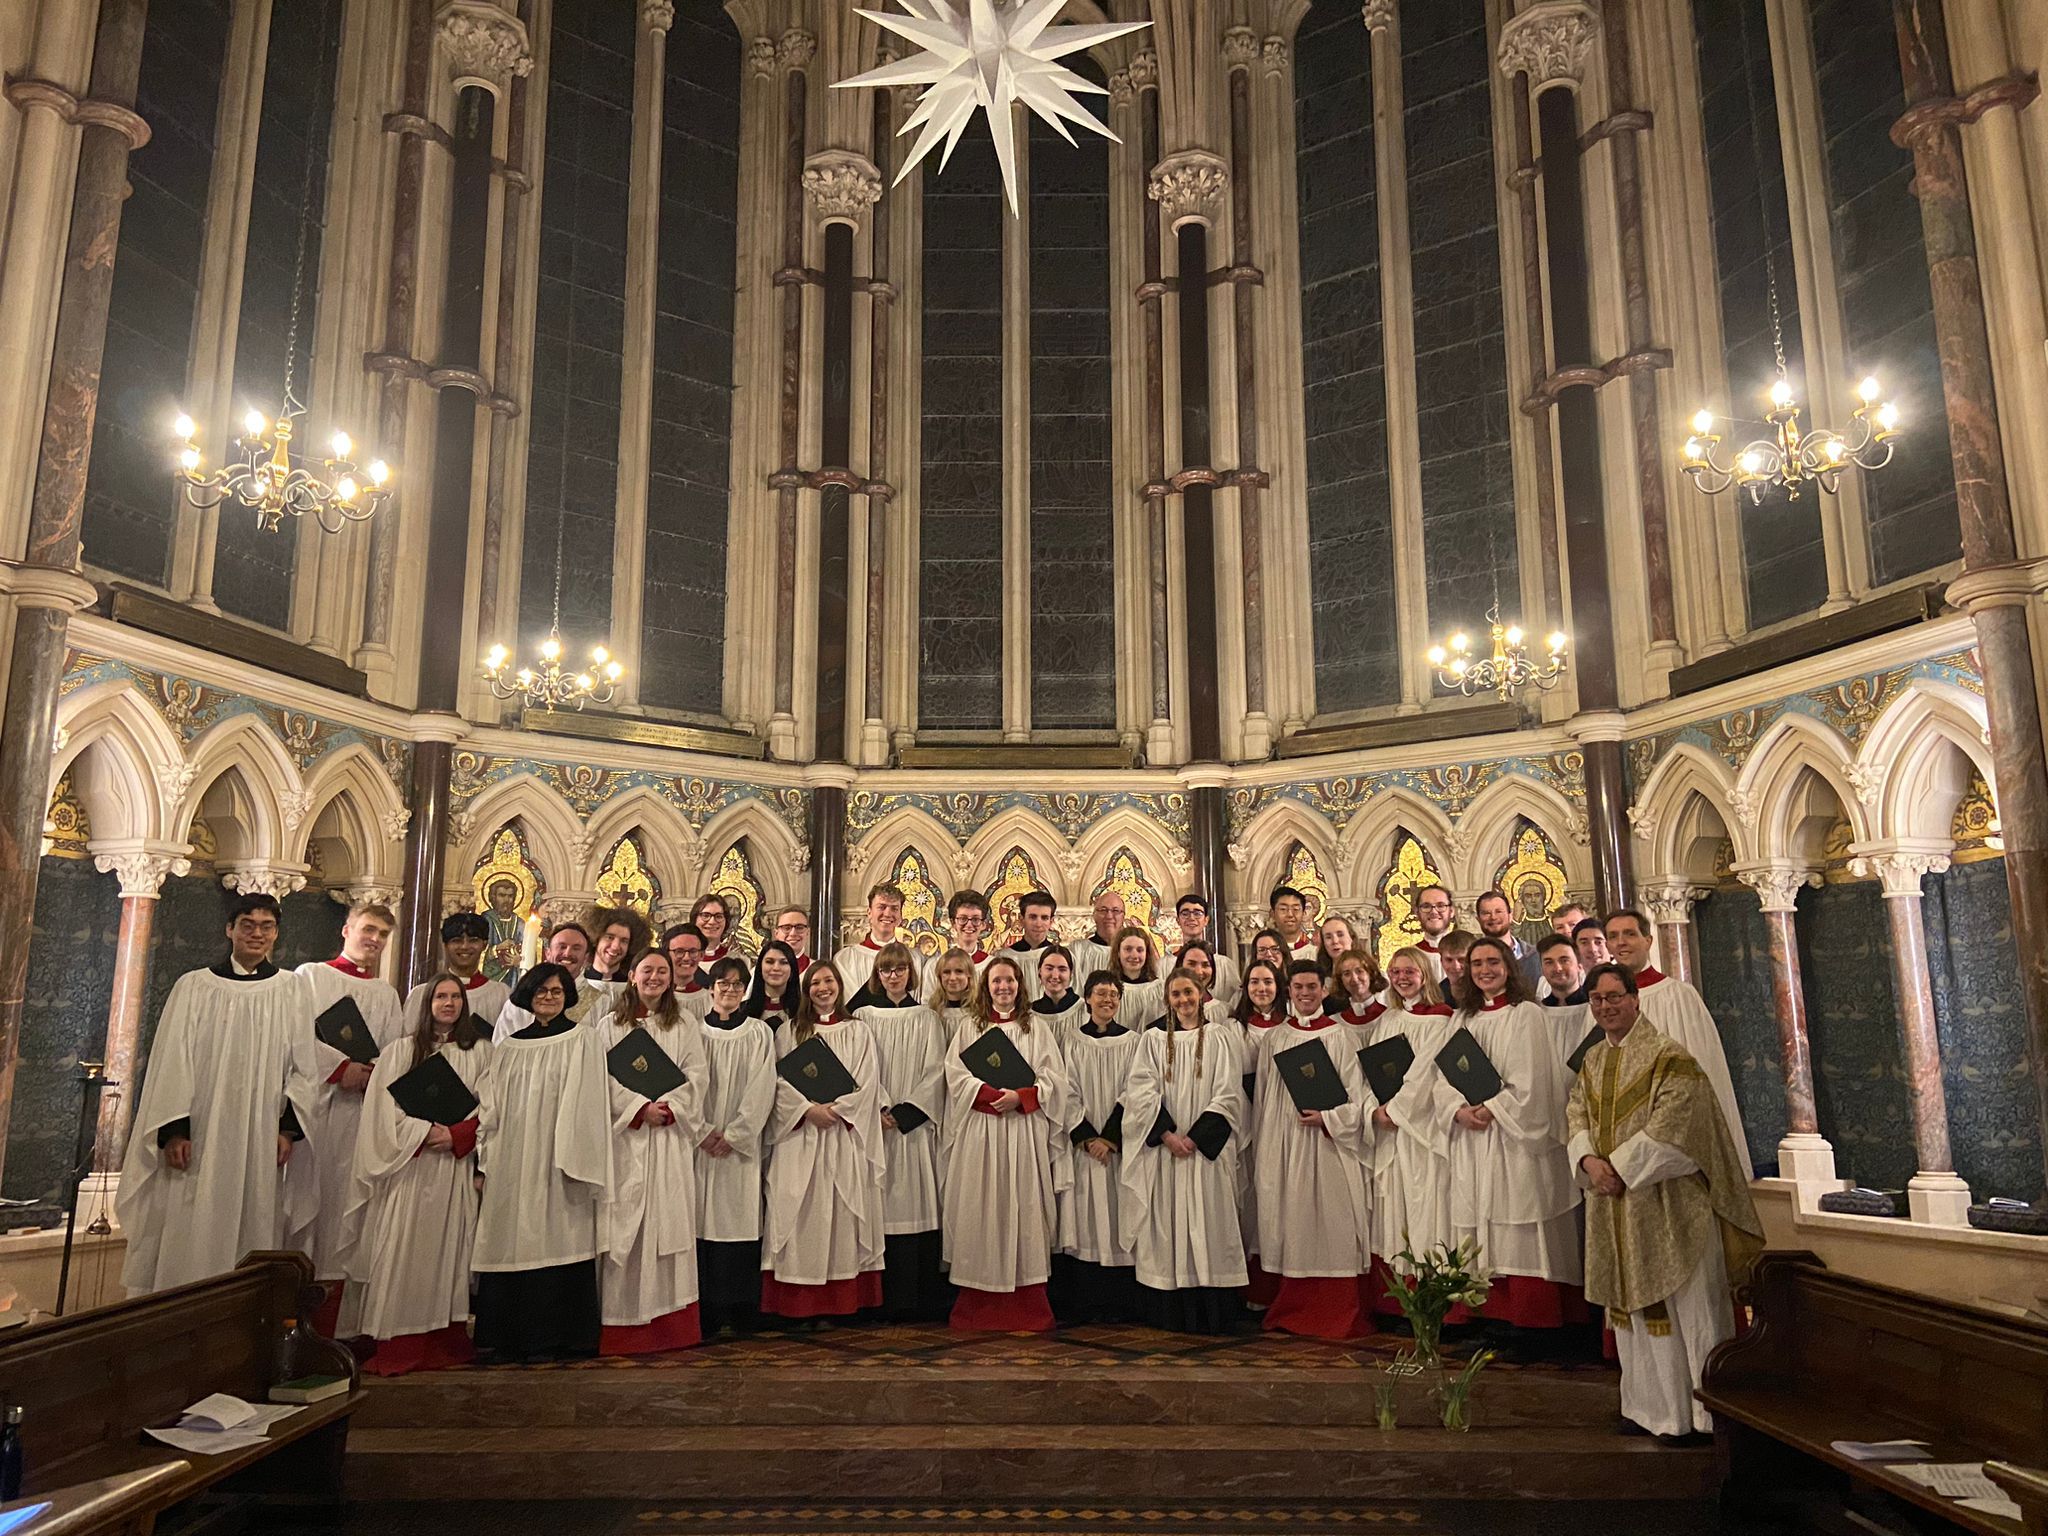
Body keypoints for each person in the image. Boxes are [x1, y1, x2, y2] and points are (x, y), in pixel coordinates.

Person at [1568, 964, 1763, 1439]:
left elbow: (1678, 1128)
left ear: (1636, 1000)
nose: (1606, 1006)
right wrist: (1590, 1163)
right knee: (1633, 1317)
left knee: (1691, 1313)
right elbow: (1575, 1115)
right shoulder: (1592, 1060)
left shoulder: (1670, 1057)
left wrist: (1619, 1169)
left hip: (1673, 1207)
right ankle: (1648, 1410)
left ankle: (1701, 1415)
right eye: (1597, 999)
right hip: (1617, 1206)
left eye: (1615, 996)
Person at [117, 893, 316, 1296]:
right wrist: (175, 1130)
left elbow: (304, 1068)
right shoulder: (194, 987)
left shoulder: (291, 989)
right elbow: (174, 1062)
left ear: (276, 933)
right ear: (230, 929)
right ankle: (182, 1307)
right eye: (247, 924)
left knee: (253, 1217)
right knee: (191, 1216)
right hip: (201, 1134)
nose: (256, 934)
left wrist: (288, 1130)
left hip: (258, 1136)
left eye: (266, 926)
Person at [1431, 936, 1584, 1332]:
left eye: (1493, 962)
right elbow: (1441, 1078)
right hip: (1472, 1139)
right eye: (1477, 963)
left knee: (1518, 1223)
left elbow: (1533, 1084)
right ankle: (1484, 1316)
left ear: (1509, 967)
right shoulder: (1462, 1019)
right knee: (1477, 1228)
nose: (1484, 970)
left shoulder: (1526, 1015)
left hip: (1513, 1142)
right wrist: (1457, 1110)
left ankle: (1531, 1320)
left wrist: (1493, 1108)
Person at [347, 973, 491, 1374]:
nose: (448, 1003)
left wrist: (459, 1134)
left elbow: (493, 1107)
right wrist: (423, 1132)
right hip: (409, 1169)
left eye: (455, 997)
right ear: (426, 1004)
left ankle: (442, 1338)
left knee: (449, 1250)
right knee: (403, 1248)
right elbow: (380, 1111)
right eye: (440, 996)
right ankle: (399, 1341)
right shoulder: (399, 1052)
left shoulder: (480, 1051)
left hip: (452, 1167)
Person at [472, 962, 612, 1362]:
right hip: (514, 1159)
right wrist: (488, 1157)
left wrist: (572, 1155)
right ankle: (508, 1336)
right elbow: (491, 1105)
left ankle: (556, 1336)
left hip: (559, 1160)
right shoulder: (509, 1047)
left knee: (558, 1234)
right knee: (512, 1235)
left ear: (568, 995)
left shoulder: (583, 1039)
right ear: (527, 996)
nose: (548, 998)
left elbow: (588, 1100)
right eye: (540, 991)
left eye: (556, 991)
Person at [941, 954, 1072, 1330]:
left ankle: (1027, 1306)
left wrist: (1023, 1097)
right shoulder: (971, 1027)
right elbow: (954, 1075)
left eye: (1010, 981)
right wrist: (984, 1093)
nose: (1003, 987)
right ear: (986, 986)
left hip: (1022, 1130)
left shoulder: (1037, 1029)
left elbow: (1055, 1080)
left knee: (1023, 1207)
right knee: (980, 1208)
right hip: (981, 1131)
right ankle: (976, 1305)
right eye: (996, 981)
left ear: (1020, 985)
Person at [295, 901, 408, 1335]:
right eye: (368, 929)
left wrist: (374, 1074)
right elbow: (296, 1036)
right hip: (318, 1112)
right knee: (311, 1206)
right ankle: (296, 1322)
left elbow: (395, 1051)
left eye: (382, 934)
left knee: (351, 1216)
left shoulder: (385, 993)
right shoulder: (312, 976)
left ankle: (338, 1327)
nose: (374, 940)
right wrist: (341, 1069)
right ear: (346, 929)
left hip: (362, 1116)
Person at [1250, 960, 1375, 1339]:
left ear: (1324, 990)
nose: (1305, 994)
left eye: (1312, 987)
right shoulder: (1275, 1039)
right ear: (1289, 991)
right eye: (1298, 988)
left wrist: (1330, 1120)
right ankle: (1292, 1307)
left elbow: (1358, 1096)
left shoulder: (1341, 1036)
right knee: (1292, 1221)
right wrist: (1268, 1150)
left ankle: (1336, 1310)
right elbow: (1263, 1102)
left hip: (1328, 1146)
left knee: (1331, 1220)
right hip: (1285, 1144)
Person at [1120, 967, 1248, 1332]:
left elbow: (1228, 1093)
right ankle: (1171, 1309)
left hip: (1205, 1151)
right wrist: (1166, 1135)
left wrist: (1195, 1138)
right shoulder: (1154, 1039)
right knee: (1169, 1225)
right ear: (1168, 999)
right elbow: (1140, 1091)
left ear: (1202, 993)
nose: (1183, 1000)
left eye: (1189, 993)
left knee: (1210, 1222)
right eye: (1176, 995)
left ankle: (1213, 1310)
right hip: (1167, 1151)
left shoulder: (1220, 1037)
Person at [596, 948, 707, 1354]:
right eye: (648, 971)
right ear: (632, 976)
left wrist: (671, 1108)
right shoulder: (609, 1025)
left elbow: (697, 1075)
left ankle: (670, 1326)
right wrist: (639, 1108)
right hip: (627, 1140)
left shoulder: (684, 1024)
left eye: (662, 971)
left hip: (668, 1140)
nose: (655, 978)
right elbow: (601, 1078)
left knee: (667, 1221)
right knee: (625, 1224)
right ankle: (622, 1324)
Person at [761, 961, 886, 1321]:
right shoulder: (788, 1031)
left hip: (841, 1136)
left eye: (828, 981)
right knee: (797, 1211)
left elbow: (868, 1082)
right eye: (815, 983)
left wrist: (837, 1110)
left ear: (840, 986)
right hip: (799, 1137)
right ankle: (798, 1301)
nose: (822, 988)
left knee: (841, 1213)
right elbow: (777, 1081)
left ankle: (840, 1301)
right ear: (805, 990)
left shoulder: (857, 1031)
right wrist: (805, 1109)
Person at [1602, 909, 1753, 1180]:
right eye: (1613, 936)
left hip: (1673, 1138)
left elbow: (1700, 1074)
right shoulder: (1602, 1004)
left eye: (1629, 934)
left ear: (1648, 941)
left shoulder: (1679, 997)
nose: (1621, 942)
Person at [855, 941, 950, 1322]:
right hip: (876, 1127)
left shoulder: (927, 1017)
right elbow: (858, 1069)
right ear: (877, 976)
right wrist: (877, 1107)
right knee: (879, 1209)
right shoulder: (861, 1017)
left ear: (911, 974)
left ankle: (918, 1300)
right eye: (886, 970)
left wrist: (906, 1112)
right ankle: (879, 1301)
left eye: (900, 970)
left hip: (914, 1129)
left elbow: (936, 1070)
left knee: (916, 1207)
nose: (893, 976)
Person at [1361, 948, 1458, 1309]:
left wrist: (1397, 1110)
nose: (1402, 978)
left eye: (1410, 971)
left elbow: (1426, 1075)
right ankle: (1401, 1301)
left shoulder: (1442, 1019)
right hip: (1392, 1130)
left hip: (1423, 1130)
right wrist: (1374, 1109)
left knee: (1427, 1208)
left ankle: (1434, 1301)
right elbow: (1370, 1071)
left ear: (1425, 974)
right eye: (1396, 971)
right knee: (1397, 1207)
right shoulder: (1388, 1019)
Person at [1053, 970, 1141, 1324]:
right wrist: (1089, 1137)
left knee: (1120, 1216)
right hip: (1085, 1149)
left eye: (1114, 994)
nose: (1107, 1000)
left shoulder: (1134, 1042)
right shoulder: (1072, 1041)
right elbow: (1066, 1090)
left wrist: (1111, 1138)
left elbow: (1136, 1090)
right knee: (1085, 1218)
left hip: (1118, 1149)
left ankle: (1123, 1301)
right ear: (1087, 998)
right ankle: (1086, 1302)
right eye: (1101, 993)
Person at [698, 955, 778, 1335]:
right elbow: (686, 1085)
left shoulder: (759, 1033)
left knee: (740, 1222)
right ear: (711, 987)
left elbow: (763, 1087)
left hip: (740, 1148)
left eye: (736, 984)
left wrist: (736, 1134)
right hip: (701, 1145)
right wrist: (703, 1130)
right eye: (723, 983)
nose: (730, 990)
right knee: (702, 1224)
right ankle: (707, 1310)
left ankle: (741, 1308)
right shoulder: (693, 1032)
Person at [1230, 957, 1288, 1309]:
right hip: (1247, 1123)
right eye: (1254, 982)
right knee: (1252, 1200)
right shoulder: (1234, 1029)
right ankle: (1252, 1290)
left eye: (1268, 982)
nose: (1261, 989)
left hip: (1283, 1124)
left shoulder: (1293, 1026)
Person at [492, 921, 602, 1039]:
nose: (567, 953)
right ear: (548, 953)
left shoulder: (599, 1002)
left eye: (576, 948)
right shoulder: (522, 1001)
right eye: (562, 946)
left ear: (586, 958)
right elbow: (503, 1046)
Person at [406, 913, 510, 1031]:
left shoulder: (502, 994)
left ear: (484, 945)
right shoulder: (421, 994)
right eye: (457, 940)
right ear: (445, 945)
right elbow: (410, 1042)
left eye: (473, 940)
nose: (465, 946)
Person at [833, 883, 908, 1001]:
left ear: (900, 916)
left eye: (894, 908)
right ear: (869, 913)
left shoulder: (914, 959)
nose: (888, 914)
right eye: (881, 907)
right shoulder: (845, 960)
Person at [920, 890, 993, 998]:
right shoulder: (935, 966)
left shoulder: (992, 966)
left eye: (975, 919)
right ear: (953, 923)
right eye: (963, 919)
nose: (969, 925)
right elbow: (928, 1007)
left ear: (983, 924)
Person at [1174, 893, 1240, 1010]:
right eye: (1185, 913)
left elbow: (1235, 1001)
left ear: (1206, 920)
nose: (1191, 918)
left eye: (1197, 913)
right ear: (1178, 920)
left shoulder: (1224, 964)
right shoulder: (1164, 964)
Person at [1475, 889, 1542, 987]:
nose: (1493, 917)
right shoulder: (1472, 958)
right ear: (1478, 919)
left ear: (1510, 916)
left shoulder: (1534, 956)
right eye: (1486, 913)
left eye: (1499, 911)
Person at [1002, 890, 1061, 1000]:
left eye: (1044, 918)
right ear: (1022, 919)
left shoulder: (1062, 958)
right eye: (1033, 917)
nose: (1038, 924)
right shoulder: (1005, 958)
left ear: (1051, 921)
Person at [1326, 948, 1386, 1046]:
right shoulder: (1334, 1024)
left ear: (1370, 974)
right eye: (1347, 974)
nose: (1354, 978)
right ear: (1340, 980)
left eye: (1359, 971)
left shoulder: (1390, 1018)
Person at [1066, 891, 1128, 983]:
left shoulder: (1130, 953)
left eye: (1115, 911)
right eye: (1103, 910)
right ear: (1094, 915)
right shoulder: (1077, 950)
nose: (1109, 916)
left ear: (1123, 917)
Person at [1029, 945, 1085, 1046]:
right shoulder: (1030, 1014)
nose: (1055, 976)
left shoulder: (1084, 1010)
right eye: (1049, 968)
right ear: (1039, 971)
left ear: (1071, 973)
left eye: (1062, 969)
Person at [741, 937, 800, 1029]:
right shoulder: (742, 1011)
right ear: (760, 968)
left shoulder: (804, 1011)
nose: (776, 968)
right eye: (769, 962)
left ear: (792, 969)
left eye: (783, 962)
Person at [587, 906, 649, 988]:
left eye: (624, 941)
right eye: (610, 937)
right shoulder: (577, 982)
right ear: (596, 939)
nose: (615, 946)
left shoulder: (634, 987)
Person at [481, 877, 525, 986]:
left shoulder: (520, 923)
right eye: (502, 895)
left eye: (510, 896)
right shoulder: (485, 920)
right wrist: (497, 949)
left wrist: (519, 961)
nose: (506, 900)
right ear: (492, 898)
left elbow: (529, 952)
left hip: (514, 980)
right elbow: (477, 952)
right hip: (489, 979)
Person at [691, 893, 745, 980]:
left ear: (726, 921)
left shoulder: (739, 961)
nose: (712, 922)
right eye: (705, 915)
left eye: (718, 916)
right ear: (695, 919)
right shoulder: (682, 961)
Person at [662, 924, 710, 1018]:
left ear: (701, 955)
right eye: (679, 951)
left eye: (693, 951)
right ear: (666, 954)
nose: (687, 958)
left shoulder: (710, 999)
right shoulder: (655, 996)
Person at [924, 945, 978, 1027]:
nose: (952, 978)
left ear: (969, 974)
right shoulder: (931, 1011)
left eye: (959, 971)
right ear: (940, 976)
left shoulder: (979, 1011)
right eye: (946, 972)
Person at [1413, 885, 1457, 978]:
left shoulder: (1469, 953)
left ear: (1452, 911)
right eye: (1426, 906)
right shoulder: (1410, 957)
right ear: (1417, 912)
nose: (1433, 911)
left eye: (1440, 906)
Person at [1268, 886, 1318, 964]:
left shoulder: (1316, 952)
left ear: (1303, 913)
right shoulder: (1265, 952)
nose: (1290, 914)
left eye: (1296, 909)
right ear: (1272, 913)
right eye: (1283, 909)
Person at [1537, 931, 1587, 1006]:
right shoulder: (1539, 1010)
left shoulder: (1593, 1006)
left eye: (1564, 961)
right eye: (1549, 962)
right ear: (1542, 969)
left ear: (1579, 966)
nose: (1558, 968)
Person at [771, 906, 815, 974]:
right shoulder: (762, 971)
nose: (793, 933)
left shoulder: (818, 971)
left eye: (799, 928)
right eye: (786, 928)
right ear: (776, 933)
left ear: (807, 932)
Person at [1316, 914, 1362, 978]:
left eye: (1340, 935)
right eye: (1328, 937)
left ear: (1352, 938)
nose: (1335, 941)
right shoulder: (1318, 979)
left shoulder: (1370, 976)